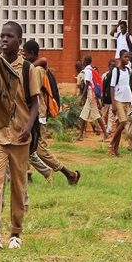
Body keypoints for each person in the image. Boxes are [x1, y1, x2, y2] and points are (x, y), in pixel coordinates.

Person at [0, 22, 39, 251]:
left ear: (19, 41)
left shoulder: (28, 69)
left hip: (20, 137)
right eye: (2, 36)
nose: (5, 40)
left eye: (10, 36)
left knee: (18, 187)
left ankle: (16, 232)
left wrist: (28, 125)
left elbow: (36, 103)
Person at [22, 41, 80, 185]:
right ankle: (27, 176)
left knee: (40, 150)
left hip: (37, 115)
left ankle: (69, 174)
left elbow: (29, 91)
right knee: (27, 146)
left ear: (33, 54)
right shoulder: (37, 68)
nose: (23, 56)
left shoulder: (36, 71)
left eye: (25, 53)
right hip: (34, 114)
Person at [108, 49, 132, 157]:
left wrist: (130, 99)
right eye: (125, 57)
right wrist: (113, 103)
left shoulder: (128, 70)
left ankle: (116, 149)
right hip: (118, 99)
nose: (127, 59)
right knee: (124, 122)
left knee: (120, 125)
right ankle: (111, 144)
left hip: (126, 99)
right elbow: (112, 86)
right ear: (120, 58)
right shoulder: (116, 70)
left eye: (128, 57)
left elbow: (127, 86)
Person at [77, 55, 108, 141]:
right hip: (92, 94)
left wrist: (82, 97)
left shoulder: (87, 71)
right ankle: (81, 135)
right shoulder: (91, 69)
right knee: (87, 114)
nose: (82, 62)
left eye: (83, 60)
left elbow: (87, 84)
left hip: (90, 94)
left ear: (85, 62)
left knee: (91, 115)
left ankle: (81, 135)